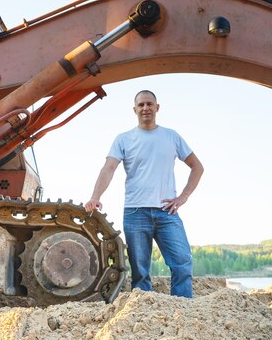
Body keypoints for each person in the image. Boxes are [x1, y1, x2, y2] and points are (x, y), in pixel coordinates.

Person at [85, 90, 204, 298]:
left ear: (157, 108)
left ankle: (183, 308)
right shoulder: (124, 139)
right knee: (140, 271)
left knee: (182, 262)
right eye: (141, 105)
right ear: (134, 110)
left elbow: (197, 167)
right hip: (135, 212)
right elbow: (109, 168)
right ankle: (144, 310)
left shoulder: (172, 136)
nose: (145, 108)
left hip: (167, 212)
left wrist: (183, 196)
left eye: (149, 104)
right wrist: (96, 196)